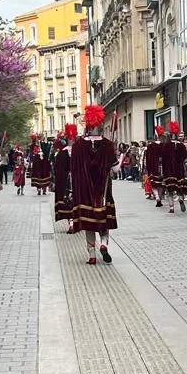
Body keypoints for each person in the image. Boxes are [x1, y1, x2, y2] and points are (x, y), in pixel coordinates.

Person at [72, 106, 118, 264]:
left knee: (89, 225)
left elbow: (74, 170)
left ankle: (92, 256)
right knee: (103, 222)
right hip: (103, 192)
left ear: (88, 125)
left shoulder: (78, 145)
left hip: (85, 193)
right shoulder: (108, 145)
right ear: (99, 124)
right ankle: (104, 245)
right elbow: (115, 169)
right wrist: (120, 156)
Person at [53, 127, 76, 231]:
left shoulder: (61, 153)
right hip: (76, 181)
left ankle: (71, 222)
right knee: (73, 200)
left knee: (68, 200)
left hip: (67, 181)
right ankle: (73, 222)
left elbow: (57, 170)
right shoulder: (79, 151)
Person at [164, 122, 187, 212]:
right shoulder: (181, 146)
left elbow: (163, 158)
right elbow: (185, 157)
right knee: (179, 187)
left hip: (169, 170)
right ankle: (181, 198)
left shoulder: (166, 146)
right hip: (179, 169)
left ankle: (171, 208)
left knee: (169, 190)